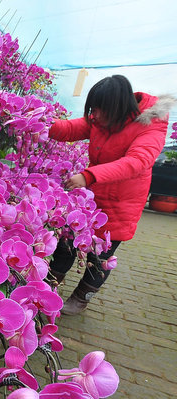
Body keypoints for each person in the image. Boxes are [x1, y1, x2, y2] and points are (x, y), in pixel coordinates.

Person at [47, 75, 176, 315]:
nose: (93, 115)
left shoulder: (151, 124)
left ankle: (81, 298)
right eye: (91, 109)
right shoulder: (101, 118)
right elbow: (71, 128)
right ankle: (47, 288)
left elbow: (137, 162)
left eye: (97, 109)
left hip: (120, 202)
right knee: (67, 242)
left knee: (101, 254)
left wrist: (88, 176)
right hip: (91, 199)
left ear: (116, 107)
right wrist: (42, 122)